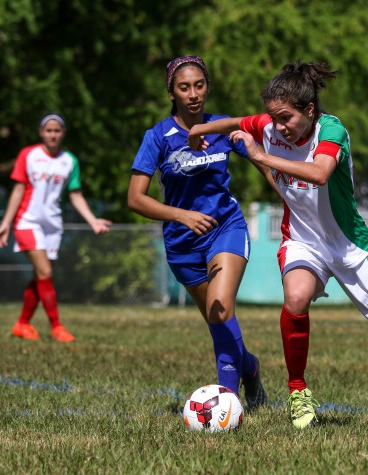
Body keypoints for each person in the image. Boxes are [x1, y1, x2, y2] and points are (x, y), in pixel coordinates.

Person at [187, 61, 368, 430]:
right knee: (295, 298)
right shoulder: (272, 126)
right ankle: (297, 391)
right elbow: (239, 122)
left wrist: (260, 156)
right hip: (303, 240)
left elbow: (320, 173)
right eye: (273, 118)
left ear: (309, 110)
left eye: (286, 118)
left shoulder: (332, 130)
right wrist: (201, 130)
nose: (277, 126)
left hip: (351, 248)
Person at [127, 55, 268, 409]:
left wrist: (293, 200)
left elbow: (263, 157)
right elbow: (135, 199)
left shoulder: (221, 125)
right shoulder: (157, 137)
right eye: (184, 87)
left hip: (226, 230)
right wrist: (182, 216)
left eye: (199, 85)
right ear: (171, 92)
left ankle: (227, 404)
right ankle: (250, 369)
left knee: (221, 308)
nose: (193, 94)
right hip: (182, 246)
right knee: (218, 321)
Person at [0, 114, 112, 342]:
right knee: (45, 273)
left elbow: (75, 194)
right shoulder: (28, 155)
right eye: (48, 130)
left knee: (40, 277)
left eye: (57, 130)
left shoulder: (69, 161)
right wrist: (6, 224)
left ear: (63, 133)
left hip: (53, 226)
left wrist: (93, 220)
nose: (53, 134)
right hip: (27, 222)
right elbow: (18, 190)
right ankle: (56, 327)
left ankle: (22, 324)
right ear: (41, 133)